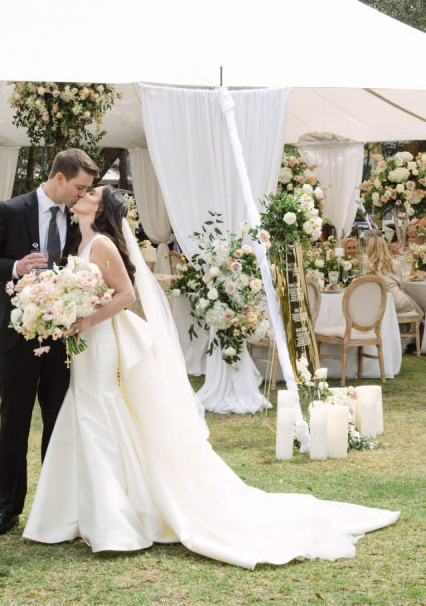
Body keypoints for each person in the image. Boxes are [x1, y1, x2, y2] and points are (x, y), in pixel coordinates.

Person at [23, 187, 399, 568]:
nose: (82, 194)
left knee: (97, 410)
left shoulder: (102, 243)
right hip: (86, 337)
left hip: (102, 339)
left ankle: (112, 519)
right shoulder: (81, 240)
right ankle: (88, 510)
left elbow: (125, 294)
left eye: (91, 193)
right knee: (87, 409)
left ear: (100, 208)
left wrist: (86, 319)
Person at [0, 148, 99, 537]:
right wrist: (14, 268)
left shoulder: (77, 219)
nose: (82, 195)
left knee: (58, 423)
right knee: (15, 424)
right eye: (79, 187)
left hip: (61, 339)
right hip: (18, 336)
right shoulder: (10, 211)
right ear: (59, 178)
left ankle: (54, 506)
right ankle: (8, 510)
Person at [366, 234, 424, 320]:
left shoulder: (367, 266)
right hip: (397, 302)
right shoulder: (394, 263)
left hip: (379, 304)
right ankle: (419, 326)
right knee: (418, 307)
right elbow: (401, 285)